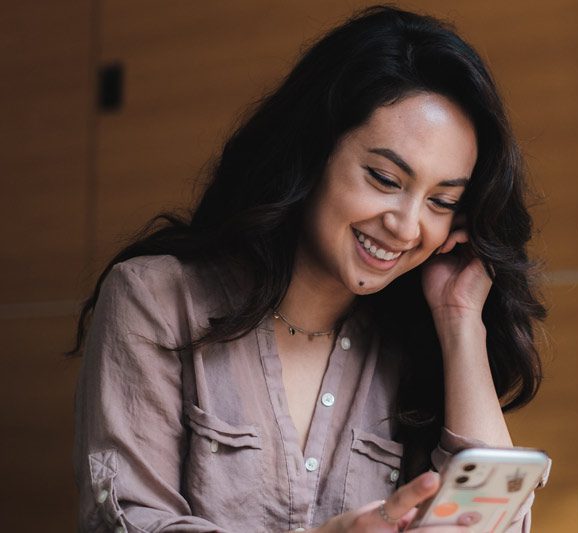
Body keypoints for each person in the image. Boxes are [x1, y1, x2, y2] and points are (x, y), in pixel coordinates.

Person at [69, 5, 547, 532]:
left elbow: (489, 526)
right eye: (385, 179)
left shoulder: (413, 342)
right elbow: (128, 521)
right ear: (313, 152)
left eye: (441, 201)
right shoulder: (155, 298)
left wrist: (461, 321)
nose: (408, 227)